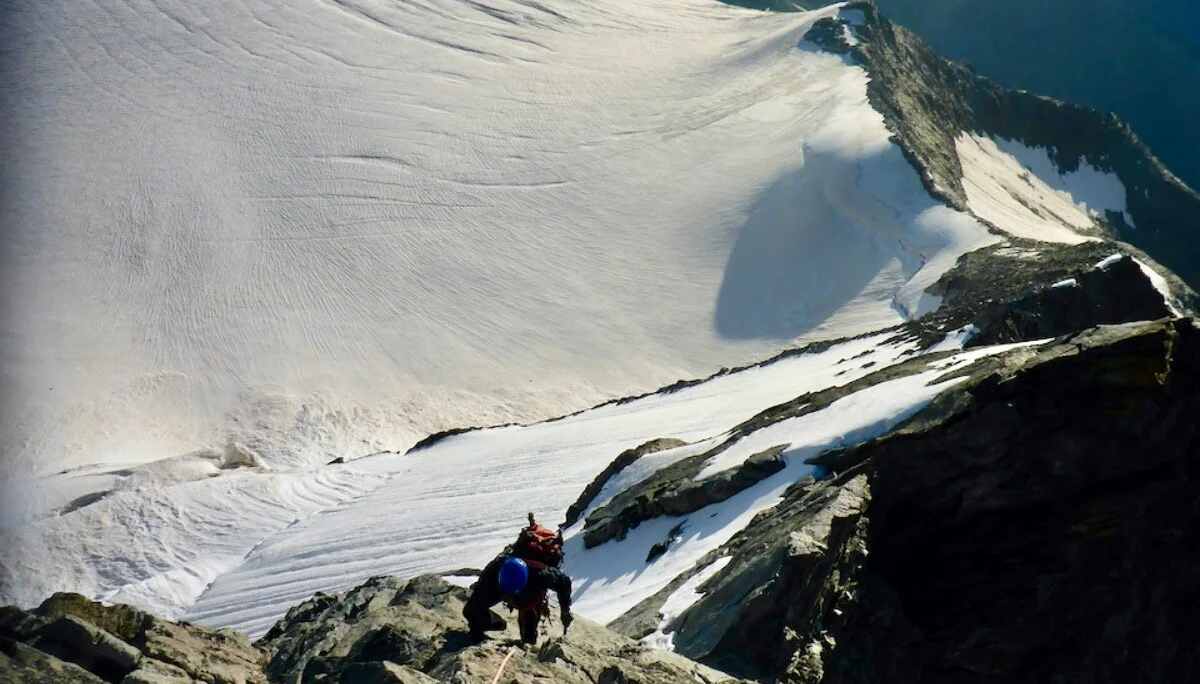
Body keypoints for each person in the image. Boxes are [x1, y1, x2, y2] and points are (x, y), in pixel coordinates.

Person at [463, 515, 573, 644]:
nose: (508, 597)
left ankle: (528, 642)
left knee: (529, 626)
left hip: (529, 593)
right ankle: (497, 624)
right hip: (504, 585)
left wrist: (565, 610)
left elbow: (564, 582)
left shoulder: (541, 575)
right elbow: (477, 598)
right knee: (471, 611)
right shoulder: (494, 569)